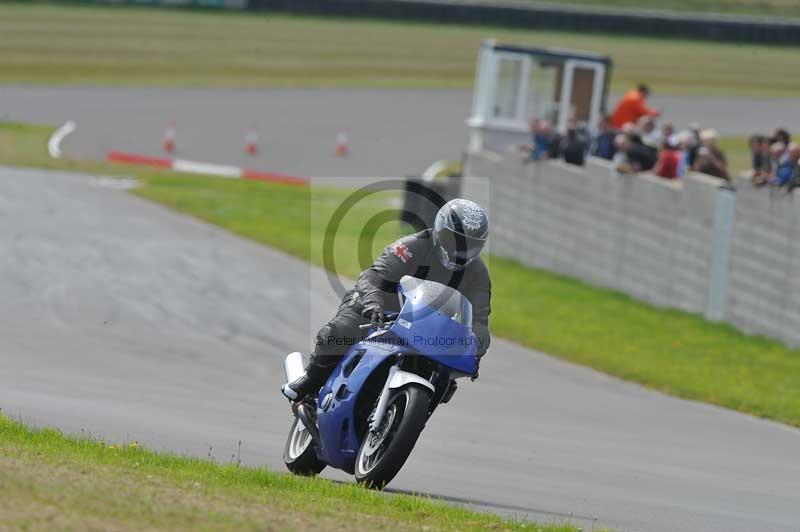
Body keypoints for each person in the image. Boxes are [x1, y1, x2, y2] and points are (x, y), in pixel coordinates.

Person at [282, 199, 492, 402]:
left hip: (427, 326)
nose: (459, 250)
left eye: (470, 244)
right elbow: (373, 277)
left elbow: (480, 320)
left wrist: (475, 351)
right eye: (453, 239)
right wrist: (373, 304)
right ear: (439, 231)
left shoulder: (478, 274)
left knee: (445, 379)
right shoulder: (411, 246)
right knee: (341, 332)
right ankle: (310, 380)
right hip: (380, 310)